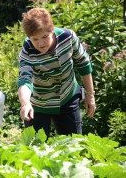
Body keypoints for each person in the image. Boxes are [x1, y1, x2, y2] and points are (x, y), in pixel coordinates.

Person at [17, 8, 96, 138]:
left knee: (73, 145)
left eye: (44, 37)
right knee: (35, 150)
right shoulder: (27, 50)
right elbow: (25, 79)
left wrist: (90, 94)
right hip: (38, 104)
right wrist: (25, 103)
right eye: (35, 39)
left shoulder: (68, 37)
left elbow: (83, 64)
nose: (40, 43)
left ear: (52, 29)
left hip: (67, 96)